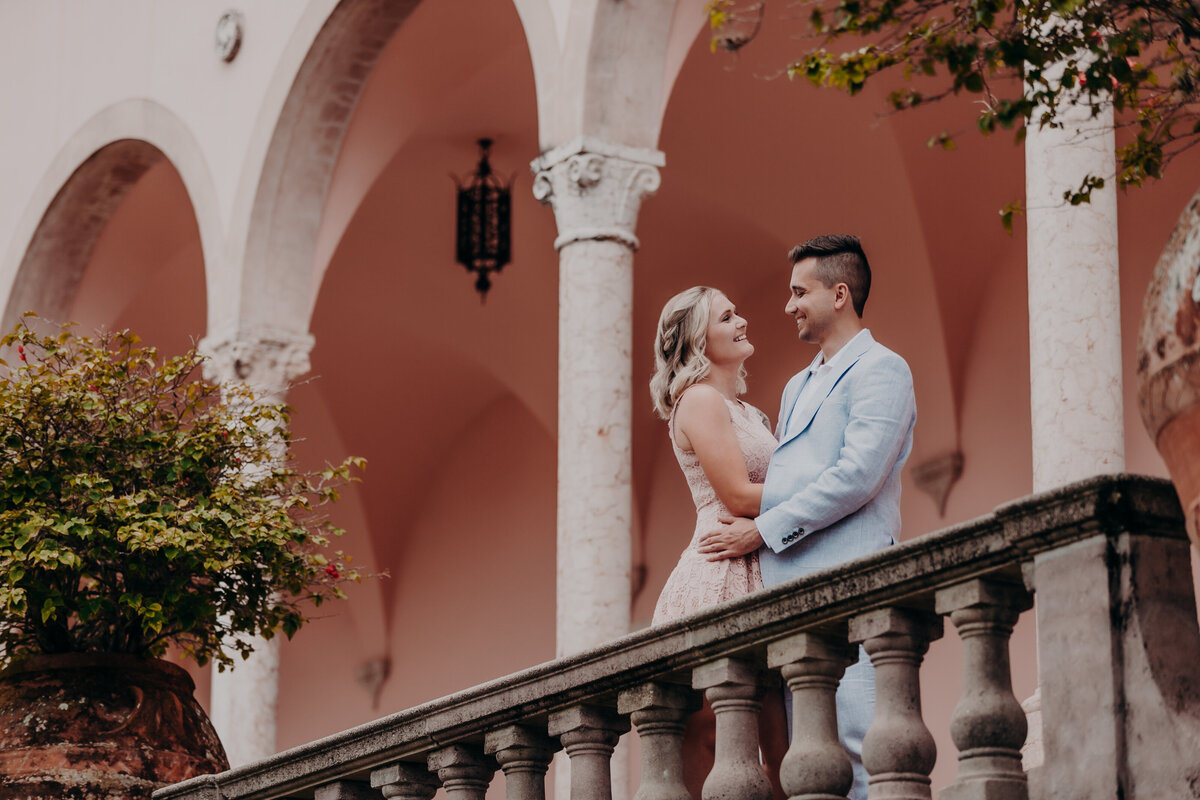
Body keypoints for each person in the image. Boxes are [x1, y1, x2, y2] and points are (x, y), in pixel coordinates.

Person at [698, 234, 917, 800]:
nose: (788, 305)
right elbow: (792, 478)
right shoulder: (796, 385)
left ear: (839, 294)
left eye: (800, 292)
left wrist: (763, 530)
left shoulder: (883, 369)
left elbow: (857, 477)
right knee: (811, 763)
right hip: (789, 597)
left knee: (866, 746)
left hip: (856, 582)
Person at [649, 286, 786, 800]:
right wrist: (821, 493)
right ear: (697, 340)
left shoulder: (749, 411)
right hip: (720, 569)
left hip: (759, 559)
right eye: (728, 317)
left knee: (779, 746)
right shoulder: (701, 400)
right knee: (712, 738)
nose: (742, 321)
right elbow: (735, 494)